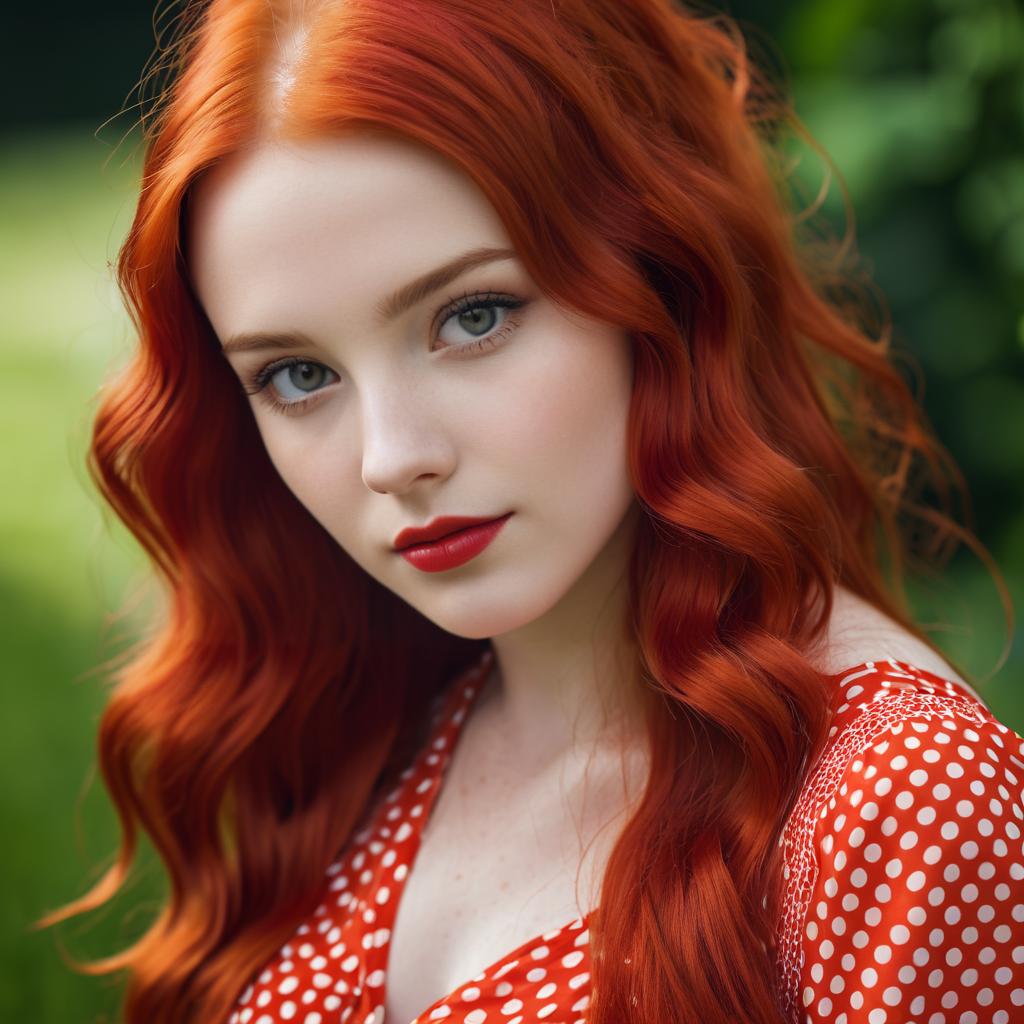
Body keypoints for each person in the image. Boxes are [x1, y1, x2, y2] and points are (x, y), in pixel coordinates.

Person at [39, 1, 1023, 1022]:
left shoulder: (899, 797)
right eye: (297, 374)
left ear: (661, 271)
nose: (392, 458)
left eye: (471, 316)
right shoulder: (363, 718)